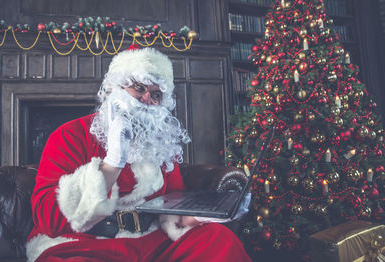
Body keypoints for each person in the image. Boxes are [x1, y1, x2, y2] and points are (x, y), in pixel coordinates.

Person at [26, 45, 252, 262]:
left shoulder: (159, 142)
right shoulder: (70, 134)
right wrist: (112, 163)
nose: (147, 100)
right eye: (139, 88)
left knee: (219, 240)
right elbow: (49, 219)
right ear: (115, 89)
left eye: (155, 95)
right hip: (88, 243)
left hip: (151, 242)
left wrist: (212, 212)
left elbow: (172, 202)